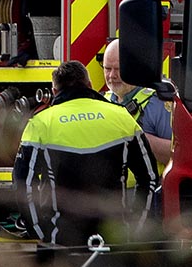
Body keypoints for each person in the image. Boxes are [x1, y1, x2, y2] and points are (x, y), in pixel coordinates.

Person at [13, 60, 161, 247]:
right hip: (115, 239)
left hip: (61, 240)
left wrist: (41, 232)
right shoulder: (122, 117)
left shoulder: (40, 123)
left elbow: (23, 184)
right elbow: (149, 178)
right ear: (89, 85)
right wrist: (136, 228)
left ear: (55, 92)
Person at [101, 38, 173, 168]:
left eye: (118, 69)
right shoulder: (103, 101)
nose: (111, 75)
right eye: (107, 68)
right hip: (111, 188)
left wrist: (137, 138)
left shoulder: (158, 103)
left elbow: (175, 155)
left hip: (147, 187)